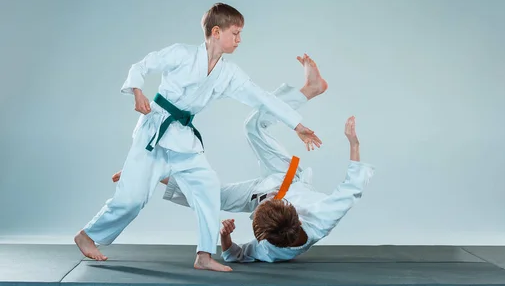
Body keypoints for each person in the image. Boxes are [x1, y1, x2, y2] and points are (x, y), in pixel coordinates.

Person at [74, 3, 322, 272]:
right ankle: (87, 236)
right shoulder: (182, 54)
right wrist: (137, 91)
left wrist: (297, 125)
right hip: (155, 129)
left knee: (207, 189)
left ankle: (204, 254)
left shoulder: (228, 74)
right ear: (217, 32)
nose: (240, 40)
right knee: (133, 200)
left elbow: (261, 97)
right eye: (236, 33)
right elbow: (143, 65)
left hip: (183, 135)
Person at [114, 55, 373, 263]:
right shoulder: (324, 216)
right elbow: (352, 188)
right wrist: (354, 143)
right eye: (274, 204)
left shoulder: (269, 250)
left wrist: (225, 238)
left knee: (211, 196)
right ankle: (311, 89)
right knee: (253, 126)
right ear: (297, 215)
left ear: (263, 237)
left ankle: (154, 174)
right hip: (288, 179)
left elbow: (234, 255)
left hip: (259, 192)